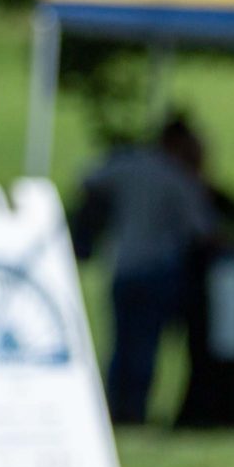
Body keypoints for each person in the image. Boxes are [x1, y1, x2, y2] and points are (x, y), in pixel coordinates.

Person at [72, 114, 220, 425]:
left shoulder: (129, 164)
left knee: (122, 345)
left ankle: (115, 411)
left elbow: (87, 180)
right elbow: (202, 230)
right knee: (144, 348)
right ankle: (133, 413)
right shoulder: (177, 177)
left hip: (123, 266)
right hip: (158, 270)